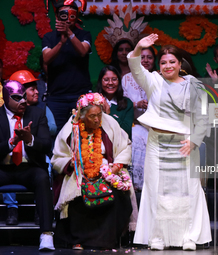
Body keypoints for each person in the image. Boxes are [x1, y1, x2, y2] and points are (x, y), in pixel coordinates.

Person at [128, 34, 211, 251]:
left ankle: (189, 237)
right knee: (156, 190)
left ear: (180, 63)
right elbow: (135, 67)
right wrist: (138, 47)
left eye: (172, 61)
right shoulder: (153, 81)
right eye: (163, 62)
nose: (167, 66)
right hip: (157, 143)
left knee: (189, 191)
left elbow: (203, 117)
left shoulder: (194, 84)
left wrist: (194, 141)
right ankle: (157, 237)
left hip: (185, 144)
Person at [52, 92, 133, 250]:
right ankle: (79, 240)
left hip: (108, 169)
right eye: (92, 116)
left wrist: (116, 166)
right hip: (79, 172)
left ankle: (107, 241)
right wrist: (72, 163)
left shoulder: (109, 123)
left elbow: (125, 146)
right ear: (82, 116)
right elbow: (57, 157)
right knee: (76, 196)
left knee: (118, 196)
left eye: (99, 114)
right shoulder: (71, 128)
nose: (97, 119)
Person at [0, 80, 54, 251]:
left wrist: (30, 140)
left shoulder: (37, 114)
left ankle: (46, 234)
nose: (23, 101)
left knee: (42, 177)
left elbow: (46, 145)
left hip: (28, 167)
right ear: (7, 98)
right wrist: (11, 143)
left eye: (24, 97)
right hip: (3, 167)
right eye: (17, 98)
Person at [42, 0, 92, 134]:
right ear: (57, 16)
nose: (67, 18)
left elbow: (82, 51)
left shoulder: (84, 35)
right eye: (63, 14)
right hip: (56, 97)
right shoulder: (49, 37)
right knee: (56, 134)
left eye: (71, 14)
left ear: (76, 16)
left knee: (82, 134)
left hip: (80, 95)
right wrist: (61, 43)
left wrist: (69, 33)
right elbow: (46, 59)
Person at [122, 46, 156, 191]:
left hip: (156, 125)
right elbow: (122, 103)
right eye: (142, 57)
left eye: (149, 57)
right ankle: (137, 184)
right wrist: (136, 104)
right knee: (136, 138)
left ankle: (154, 185)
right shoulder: (126, 78)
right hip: (136, 124)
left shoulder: (158, 77)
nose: (146, 60)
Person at [97, 65, 134, 139]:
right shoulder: (93, 101)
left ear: (119, 82)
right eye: (106, 80)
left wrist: (109, 114)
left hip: (120, 146)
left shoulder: (127, 103)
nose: (110, 83)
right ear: (101, 82)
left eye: (114, 79)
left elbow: (126, 131)